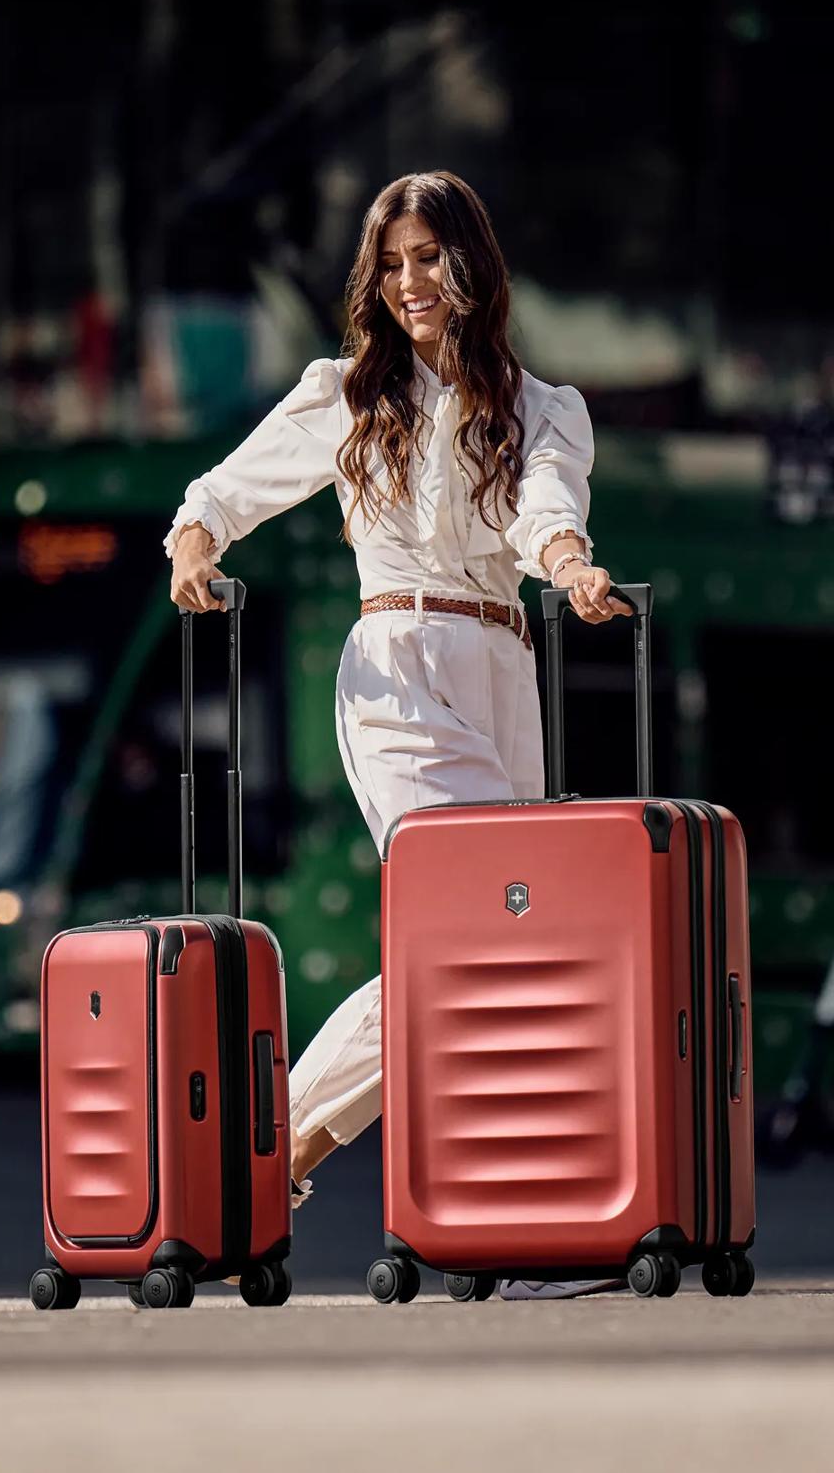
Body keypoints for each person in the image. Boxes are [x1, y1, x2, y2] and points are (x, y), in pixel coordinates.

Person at [164, 171, 631, 1298]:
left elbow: (546, 507)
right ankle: (277, 1160)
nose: (413, 281)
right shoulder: (344, 393)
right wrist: (192, 544)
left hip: (504, 669)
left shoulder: (543, 404)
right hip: (398, 672)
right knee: (465, 937)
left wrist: (569, 566)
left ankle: (328, 1177)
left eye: (432, 256)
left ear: (474, 266)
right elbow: (228, 490)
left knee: (495, 959)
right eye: (395, 261)